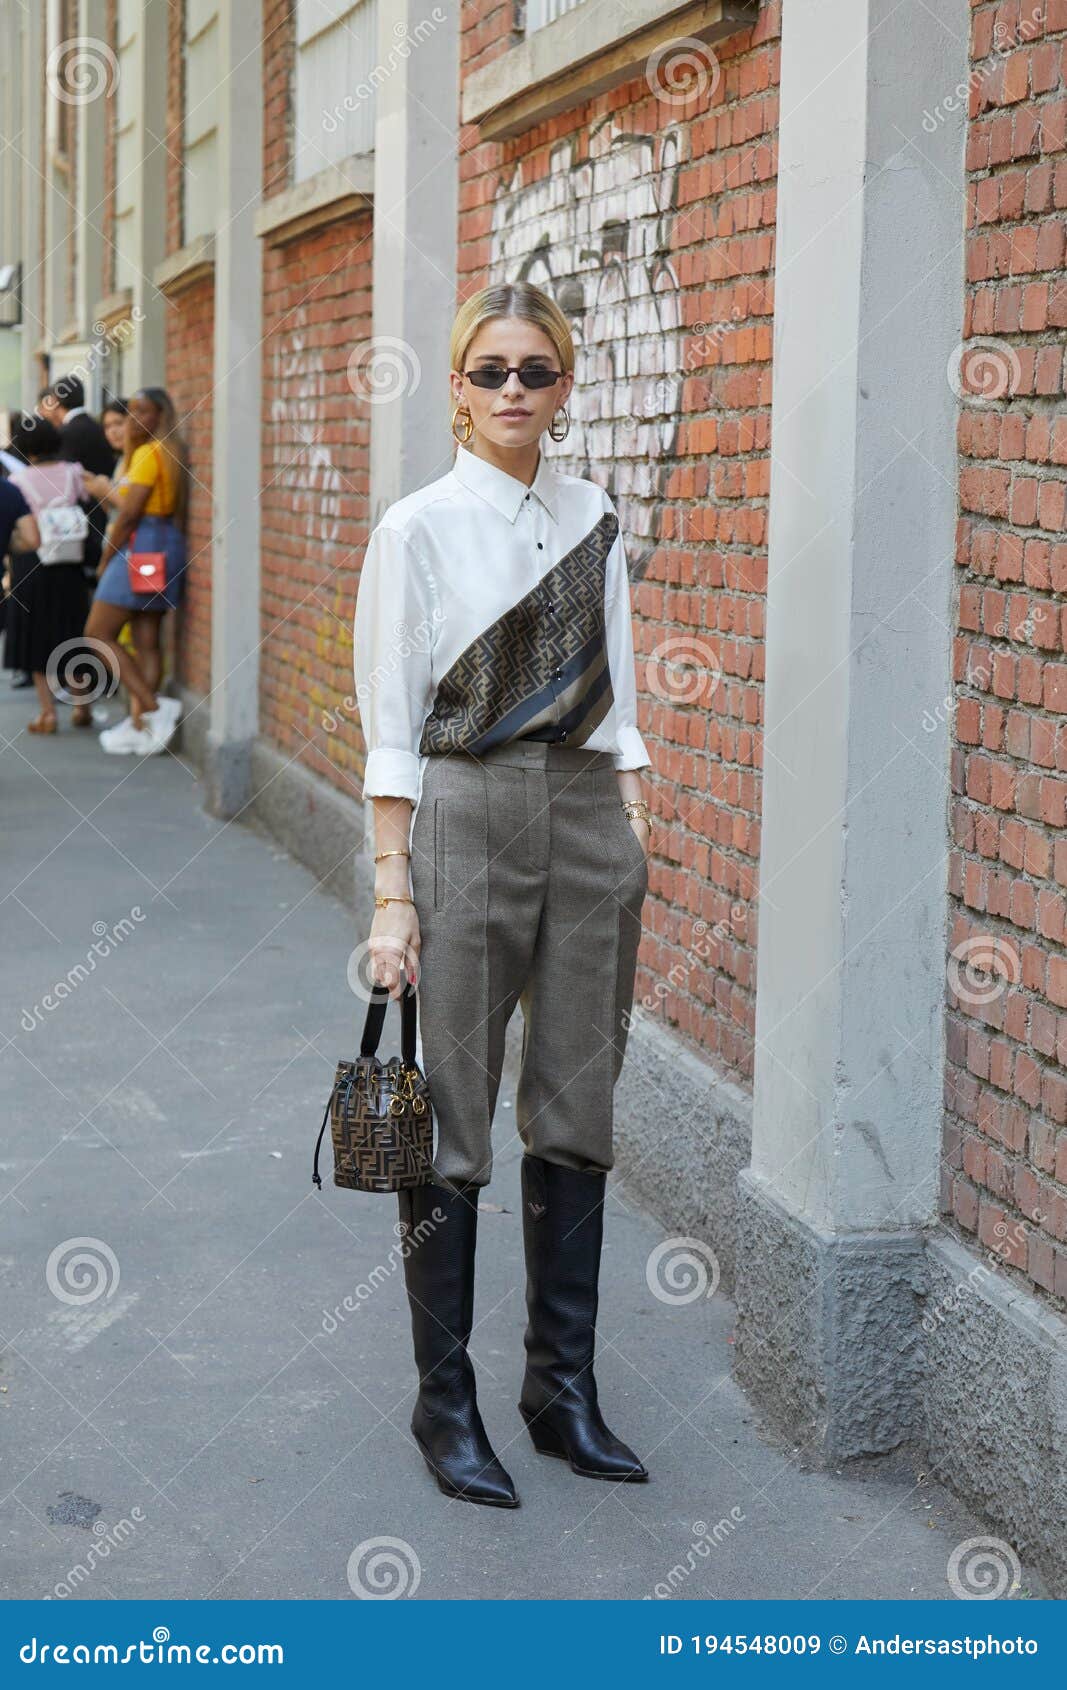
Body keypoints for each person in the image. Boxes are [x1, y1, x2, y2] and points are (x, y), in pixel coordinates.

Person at [352, 281, 655, 1509]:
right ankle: (445, 1407)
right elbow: (389, 726)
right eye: (490, 372)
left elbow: (621, 688)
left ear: (565, 385)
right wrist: (391, 894)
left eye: (536, 370)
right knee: (455, 1115)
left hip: (586, 812)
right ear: (458, 390)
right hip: (464, 812)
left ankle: (559, 1391)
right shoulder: (415, 526)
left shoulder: (596, 515)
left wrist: (628, 821)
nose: (514, 391)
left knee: (578, 1103)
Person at [85, 386, 187, 755]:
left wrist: (106, 557)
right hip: (163, 543)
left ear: (161, 415)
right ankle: (141, 723)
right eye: (130, 412)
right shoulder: (167, 451)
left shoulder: (147, 453)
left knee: (97, 634)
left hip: (142, 544)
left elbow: (130, 512)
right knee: (146, 638)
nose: (134, 420)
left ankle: (154, 709)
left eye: (144, 412)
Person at [5, 414, 94, 734]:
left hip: (32, 565)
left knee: (36, 636)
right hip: (70, 564)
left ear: (24, 447)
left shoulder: (17, 482)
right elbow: (93, 499)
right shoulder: (74, 473)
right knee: (73, 631)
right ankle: (82, 704)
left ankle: (48, 713)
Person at [49, 375, 118, 586]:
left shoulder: (65, 433)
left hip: (81, 521)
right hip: (108, 512)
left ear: (55, 402)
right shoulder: (98, 427)